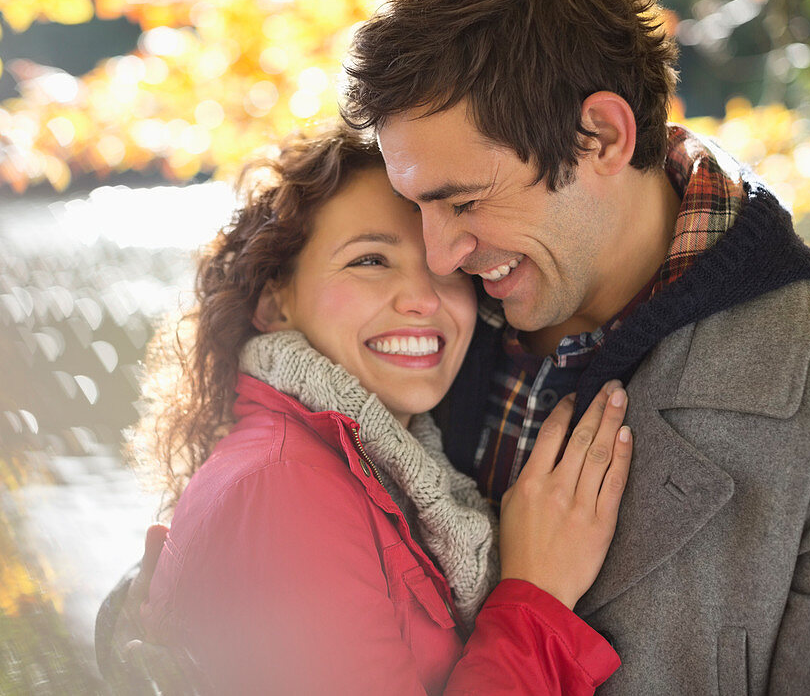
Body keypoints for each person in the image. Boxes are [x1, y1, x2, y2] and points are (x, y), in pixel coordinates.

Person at [340, 0, 810, 692]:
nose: (438, 255)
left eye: (463, 203)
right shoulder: (405, 320)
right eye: (418, 205)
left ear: (603, 136)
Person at [98, 126, 633, 694]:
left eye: (447, 270)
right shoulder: (283, 489)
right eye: (371, 260)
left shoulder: (380, 470)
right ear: (275, 300)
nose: (424, 298)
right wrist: (536, 597)